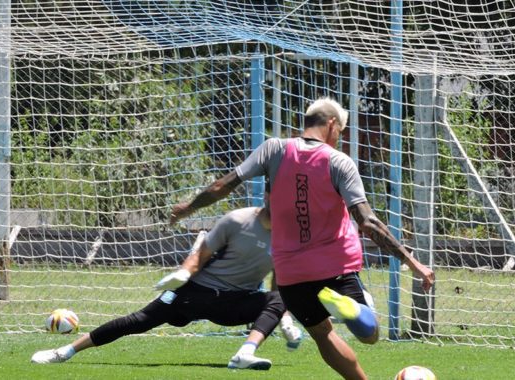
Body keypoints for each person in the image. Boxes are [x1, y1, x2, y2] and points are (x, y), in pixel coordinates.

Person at [170, 97, 435, 380]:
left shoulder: (273, 149)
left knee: (323, 334)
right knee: (370, 335)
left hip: (291, 272)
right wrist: (412, 261)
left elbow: (223, 184)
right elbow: (367, 221)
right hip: (334, 264)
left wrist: (189, 207)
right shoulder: (339, 161)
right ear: (332, 124)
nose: (339, 138)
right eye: (341, 132)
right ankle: (352, 308)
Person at [31, 200, 303, 371]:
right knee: (138, 321)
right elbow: (200, 251)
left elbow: (279, 281)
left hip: (231, 305)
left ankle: (245, 353)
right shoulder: (238, 220)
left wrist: (285, 319)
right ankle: (64, 352)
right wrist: (182, 275)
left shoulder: (290, 238)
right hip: (193, 294)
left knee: (282, 297)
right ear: (269, 197)